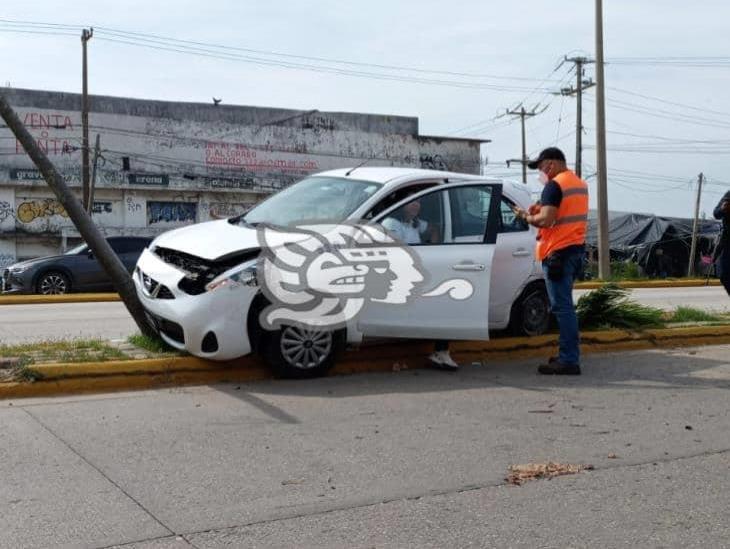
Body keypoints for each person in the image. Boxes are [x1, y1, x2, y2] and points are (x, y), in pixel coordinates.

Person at [512, 147, 588, 375]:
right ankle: (568, 356)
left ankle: (569, 360)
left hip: (558, 255)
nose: (540, 173)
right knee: (565, 307)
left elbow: (545, 220)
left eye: (541, 167)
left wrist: (525, 216)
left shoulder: (554, 186)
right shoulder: (578, 184)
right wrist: (541, 209)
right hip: (575, 251)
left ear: (552, 164)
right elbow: (560, 214)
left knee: (562, 309)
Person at [382, 199, 458, 371]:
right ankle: (441, 351)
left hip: (414, 275)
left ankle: (441, 351)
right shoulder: (391, 223)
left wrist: (434, 248)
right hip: (398, 279)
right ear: (401, 204)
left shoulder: (414, 223)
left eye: (418, 201)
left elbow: (433, 228)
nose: (416, 205)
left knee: (447, 302)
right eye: (411, 202)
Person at [712, 190, 730, 295]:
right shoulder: (729, 194)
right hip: (727, 240)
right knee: (723, 273)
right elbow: (716, 213)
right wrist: (723, 209)